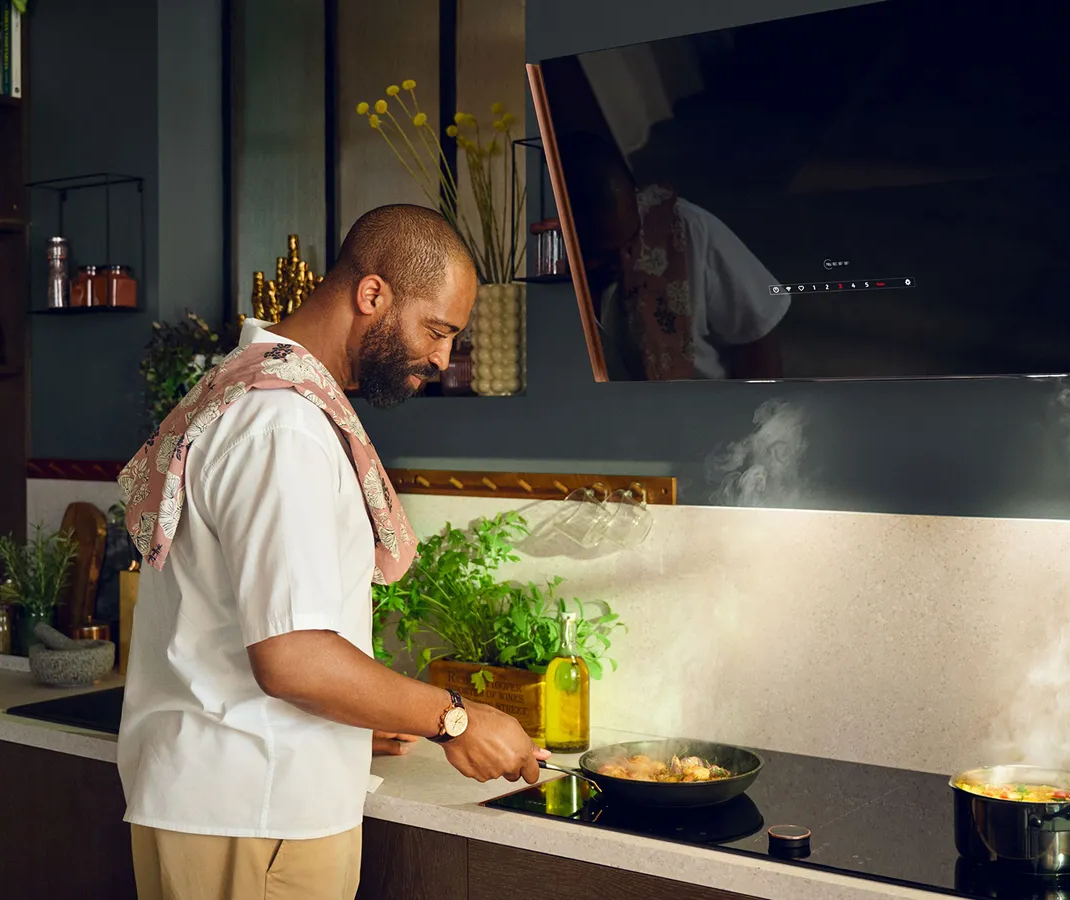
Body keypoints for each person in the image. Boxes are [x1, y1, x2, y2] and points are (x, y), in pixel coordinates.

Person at [116, 204, 548, 900]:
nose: (442, 358)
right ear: (371, 295)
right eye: (437, 329)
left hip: (236, 802)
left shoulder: (248, 388)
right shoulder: (282, 427)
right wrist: (455, 717)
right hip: (256, 811)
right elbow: (294, 657)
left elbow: (250, 627)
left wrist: (365, 715)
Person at [557, 130, 789, 381]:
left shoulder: (687, 229)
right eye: (599, 255)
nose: (625, 261)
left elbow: (756, 336)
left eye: (632, 241)